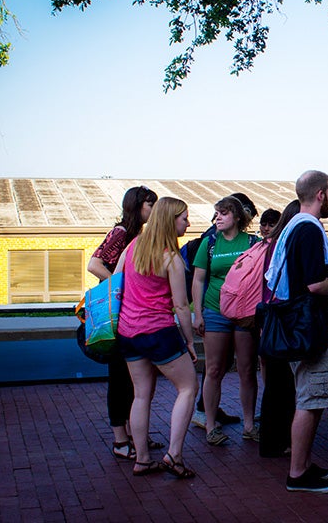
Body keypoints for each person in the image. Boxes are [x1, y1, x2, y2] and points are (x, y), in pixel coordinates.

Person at [265, 170, 328, 493]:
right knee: (310, 398)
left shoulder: (292, 228)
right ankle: (297, 473)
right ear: (320, 194)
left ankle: (302, 465)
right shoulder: (308, 229)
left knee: (314, 397)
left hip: (300, 329)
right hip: (309, 332)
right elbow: (315, 284)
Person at [114, 197, 198, 478]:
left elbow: (115, 281)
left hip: (128, 333)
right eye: (184, 218)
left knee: (141, 395)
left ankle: (143, 459)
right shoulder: (170, 258)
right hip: (159, 332)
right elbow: (182, 305)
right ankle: (174, 455)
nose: (188, 223)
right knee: (187, 388)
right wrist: (189, 341)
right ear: (170, 220)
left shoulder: (132, 247)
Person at [87, 185, 159, 460]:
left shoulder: (138, 234)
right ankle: (120, 440)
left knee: (132, 378)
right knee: (119, 377)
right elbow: (94, 264)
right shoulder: (121, 233)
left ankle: (133, 434)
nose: (152, 210)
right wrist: (120, 288)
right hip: (118, 315)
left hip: (129, 314)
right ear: (138, 205)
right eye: (150, 204)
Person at [192, 195, 259, 445]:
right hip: (215, 311)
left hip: (245, 315)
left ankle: (249, 425)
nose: (217, 218)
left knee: (247, 369)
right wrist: (197, 314)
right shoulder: (209, 243)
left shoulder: (253, 242)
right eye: (216, 213)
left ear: (238, 217)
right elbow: (198, 280)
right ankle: (210, 425)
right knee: (214, 369)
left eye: (223, 213)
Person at [258, 200, 301, 458]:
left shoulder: (272, 245)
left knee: (274, 385)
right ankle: (281, 440)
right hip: (285, 319)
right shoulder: (288, 244)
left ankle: (270, 440)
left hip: (270, 318)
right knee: (284, 386)